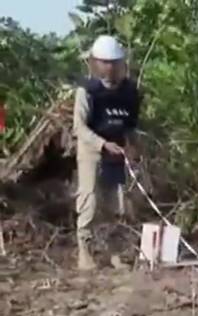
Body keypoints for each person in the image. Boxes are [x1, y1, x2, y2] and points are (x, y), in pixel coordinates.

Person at [72, 35, 142, 271]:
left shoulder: (130, 92)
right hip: (92, 147)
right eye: (104, 62)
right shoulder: (87, 91)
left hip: (118, 148)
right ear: (95, 63)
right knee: (89, 197)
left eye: (113, 62)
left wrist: (131, 147)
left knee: (118, 202)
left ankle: (116, 253)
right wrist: (102, 144)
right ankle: (84, 251)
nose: (109, 67)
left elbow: (131, 125)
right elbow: (79, 127)